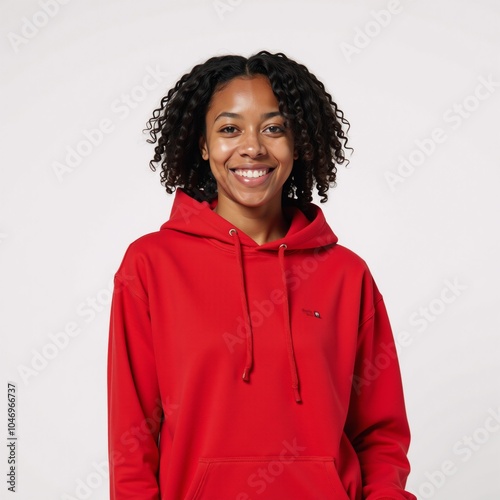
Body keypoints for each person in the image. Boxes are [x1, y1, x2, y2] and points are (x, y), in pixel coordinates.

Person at [107, 51, 416, 499]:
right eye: (229, 129)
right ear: (203, 144)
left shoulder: (346, 274)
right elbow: (130, 439)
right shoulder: (152, 265)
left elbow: (381, 434)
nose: (253, 146)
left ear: (299, 143)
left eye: (274, 128)